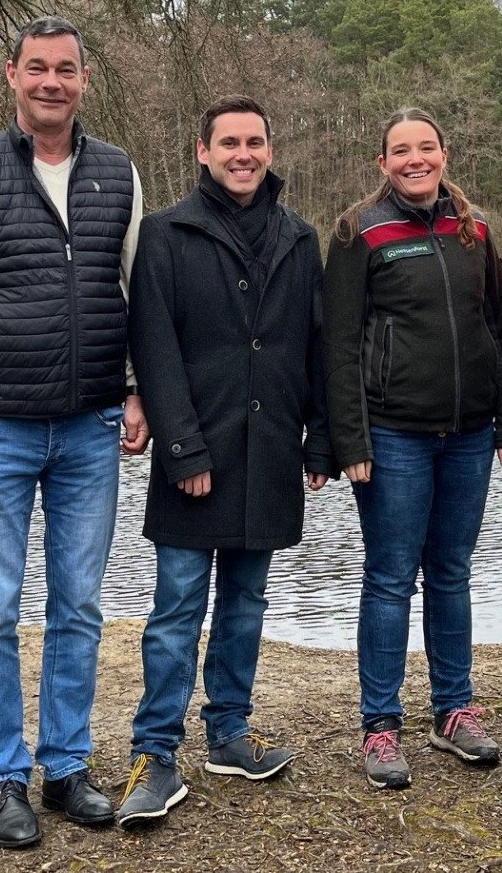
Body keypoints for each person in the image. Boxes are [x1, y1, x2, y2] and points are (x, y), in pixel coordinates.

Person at [0, 15, 149, 848]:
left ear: (85, 80)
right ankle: (4, 778)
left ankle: (67, 768)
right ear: (10, 75)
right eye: (37, 68)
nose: (52, 82)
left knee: (79, 607)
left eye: (67, 70)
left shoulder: (118, 172)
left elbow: (138, 297)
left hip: (90, 429)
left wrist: (140, 392)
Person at [114, 95, 333, 829]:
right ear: (202, 152)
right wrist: (181, 449)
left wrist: (322, 438)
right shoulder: (166, 235)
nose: (244, 154)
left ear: (270, 151)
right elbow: (154, 347)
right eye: (229, 142)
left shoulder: (300, 238)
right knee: (177, 608)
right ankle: (156, 753)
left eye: (256, 142)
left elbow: (317, 347)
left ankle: (230, 733)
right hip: (194, 454)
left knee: (246, 602)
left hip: (269, 452)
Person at [322, 108, 502, 790]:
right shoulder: (360, 232)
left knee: (451, 572)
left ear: (445, 154)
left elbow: (499, 328)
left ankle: (454, 711)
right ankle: (380, 725)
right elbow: (340, 345)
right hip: (392, 435)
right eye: (400, 151)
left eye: (427, 148)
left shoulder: (475, 230)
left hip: (468, 434)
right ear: (382, 163)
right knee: (389, 578)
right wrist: (349, 438)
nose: (415, 160)